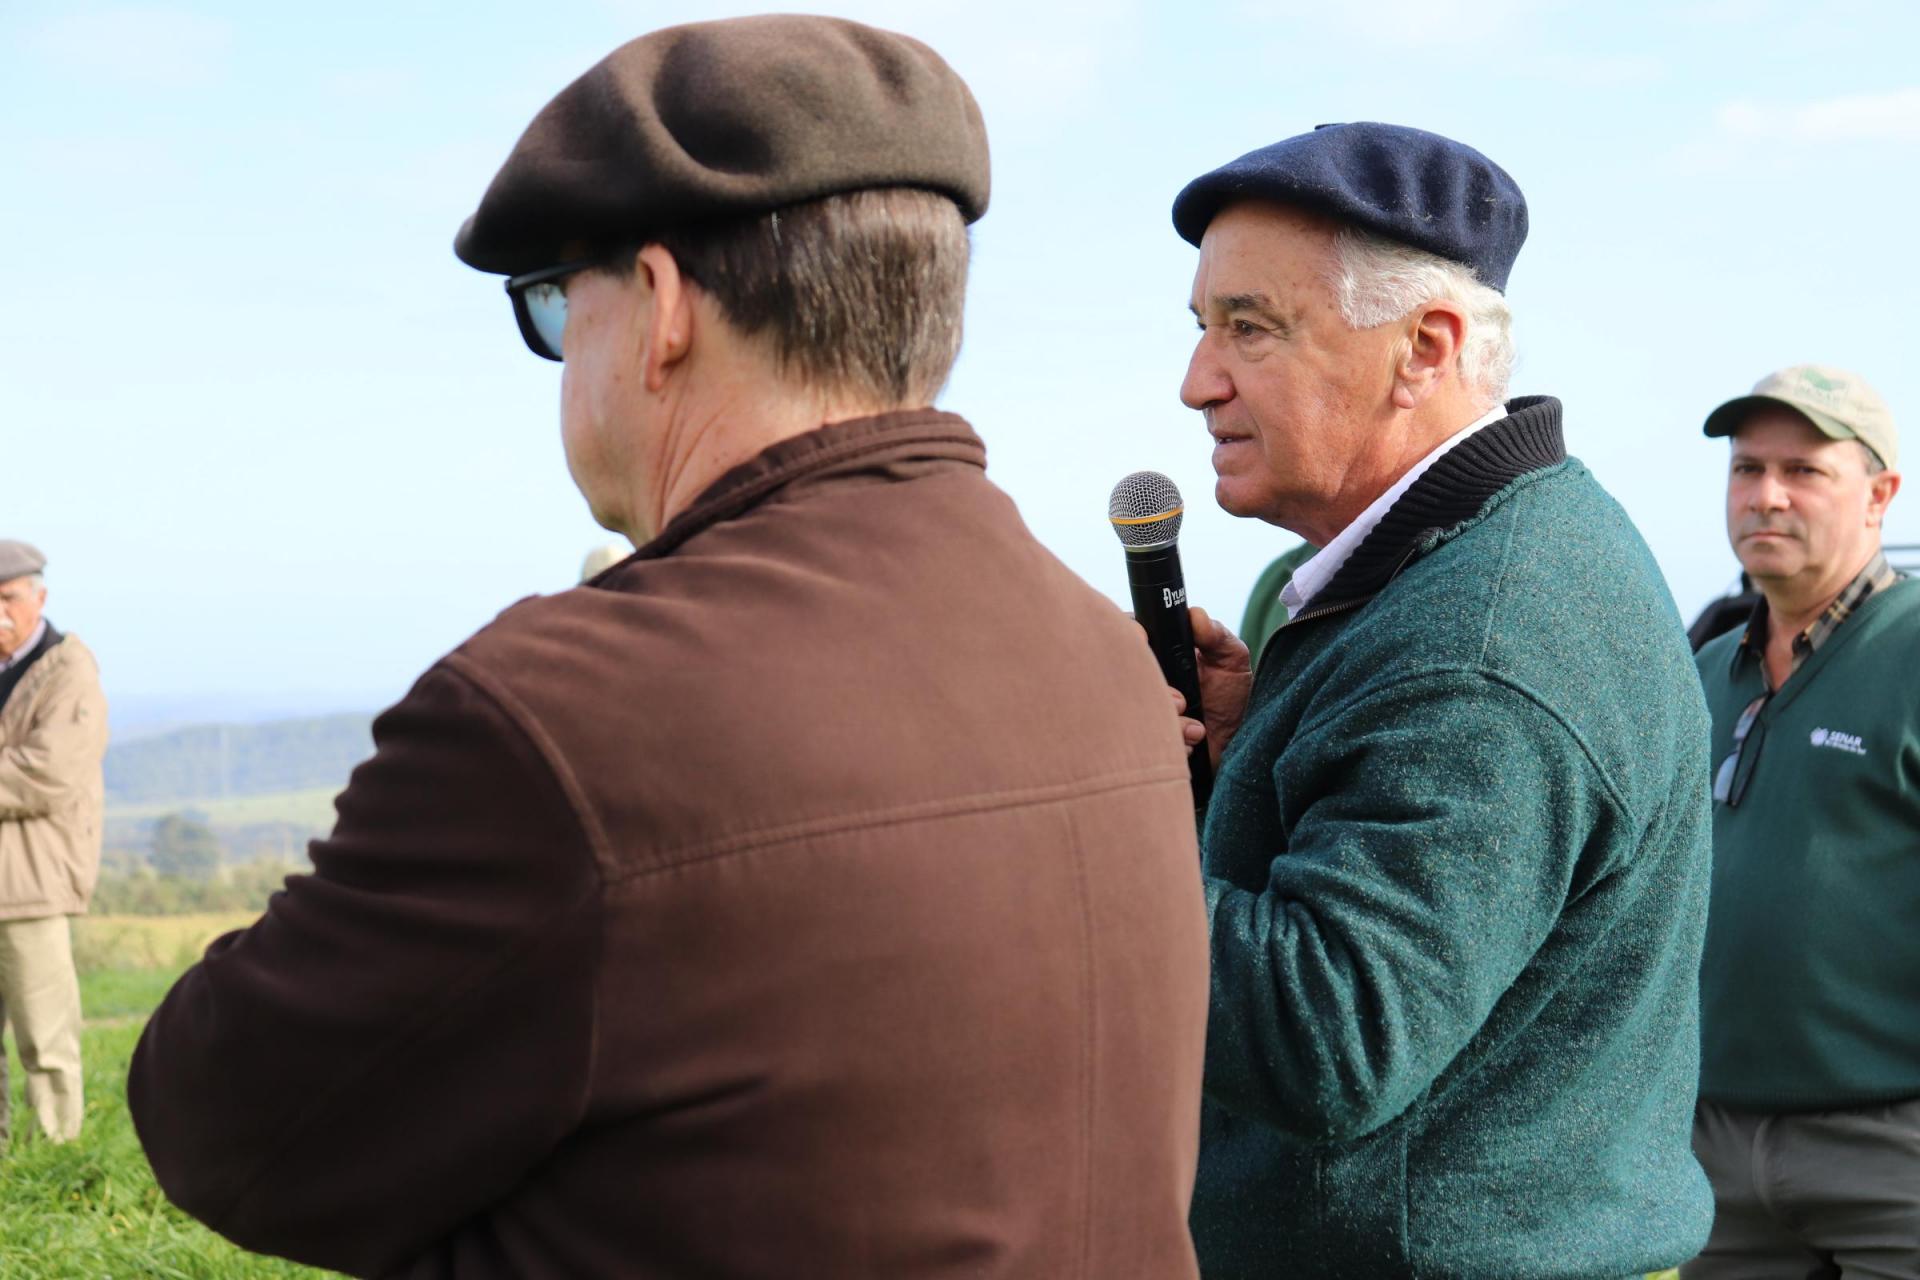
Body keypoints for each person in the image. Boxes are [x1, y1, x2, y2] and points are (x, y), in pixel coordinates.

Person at [128, 16, 1209, 1279]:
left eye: (551, 304)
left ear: (661, 304)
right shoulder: (1101, 652)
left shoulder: (560, 715)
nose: (558, 362)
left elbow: (220, 1121)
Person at [1168, 123, 1715, 1278]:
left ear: (1426, 347)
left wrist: (1083, 824)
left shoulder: (1484, 636)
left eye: (1251, 327)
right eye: (1203, 325)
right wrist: (1241, 762)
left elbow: (1328, 1034)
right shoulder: (1467, 564)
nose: (1197, 381)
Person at [1683, 365, 1917, 1280]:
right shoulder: (1703, 671)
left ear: (1880, 495)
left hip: (1893, 1146)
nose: (1766, 496)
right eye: (1747, 469)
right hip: (1714, 1150)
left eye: (1804, 471)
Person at [0, 539, 109, 1149]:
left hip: (30, 883)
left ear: (38, 598)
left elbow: (50, 772)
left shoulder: (68, 670)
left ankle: (54, 1156)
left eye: (9, 597)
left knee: (45, 1038)